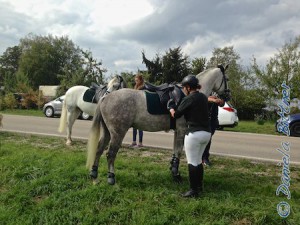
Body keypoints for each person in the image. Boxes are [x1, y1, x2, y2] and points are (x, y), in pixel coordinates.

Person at [168, 75, 211, 198]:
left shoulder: (189, 98)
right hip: (206, 134)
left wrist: (171, 108)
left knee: (192, 162)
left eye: (184, 88)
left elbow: (176, 115)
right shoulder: (203, 97)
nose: (183, 90)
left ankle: (193, 191)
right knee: (198, 161)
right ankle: (199, 186)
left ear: (187, 87)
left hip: (194, 134)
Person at [202, 93, 225, 166]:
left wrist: (221, 101)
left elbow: (222, 104)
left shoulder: (219, 91)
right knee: (202, 138)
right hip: (203, 118)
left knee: (209, 139)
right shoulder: (205, 88)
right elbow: (199, 98)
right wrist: (212, 99)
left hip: (213, 119)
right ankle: (202, 158)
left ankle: (205, 157)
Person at [130, 74, 145, 148]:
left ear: (140, 80)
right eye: (135, 80)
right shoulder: (135, 87)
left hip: (141, 109)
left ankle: (140, 143)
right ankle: (134, 141)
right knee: (134, 127)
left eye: (137, 80)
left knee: (140, 127)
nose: (136, 82)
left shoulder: (142, 87)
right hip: (135, 109)